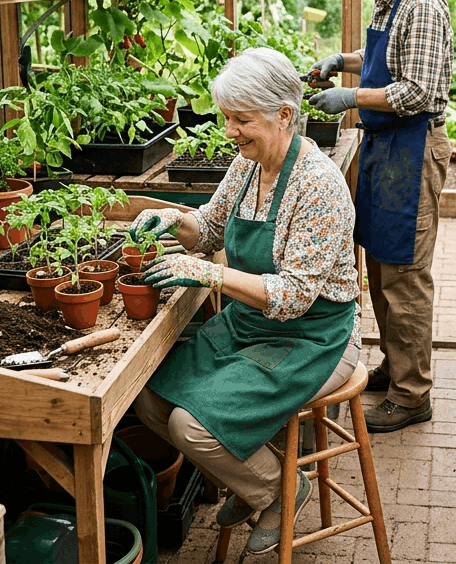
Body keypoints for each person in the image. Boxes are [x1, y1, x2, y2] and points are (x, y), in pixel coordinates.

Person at [132, 47, 361, 557]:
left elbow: (295, 297)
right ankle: (250, 483)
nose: (230, 131)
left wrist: (210, 273)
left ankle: (279, 490)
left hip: (314, 336)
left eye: (242, 119)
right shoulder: (247, 164)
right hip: (252, 325)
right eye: (227, 118)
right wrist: (171, 217)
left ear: (284, 114)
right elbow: (209, 226)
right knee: (148, 397)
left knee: (190, 424)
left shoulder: (318, 185)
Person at [305, 0, 453, 433]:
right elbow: (384, 57)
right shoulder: (393, 0)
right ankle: (396, 367)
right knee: (382, 267)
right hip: (386, 149)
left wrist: (350, 97)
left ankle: (413, 395)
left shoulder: (422, 4)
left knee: (405, 276)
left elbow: (420, 92)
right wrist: (342, 63)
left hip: (411, 150)